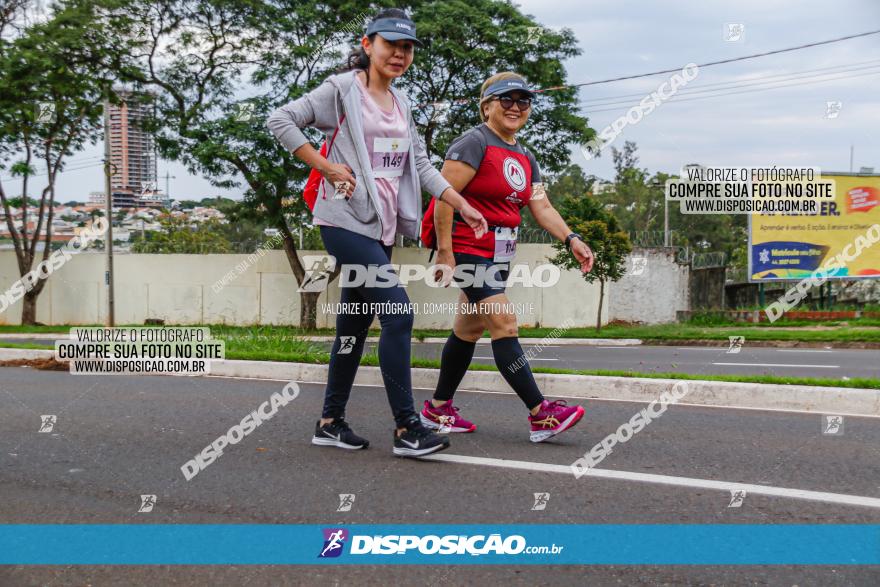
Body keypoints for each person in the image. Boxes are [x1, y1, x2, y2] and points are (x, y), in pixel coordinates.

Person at [267, 9, 487, 457]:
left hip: (382, 230)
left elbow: (420, 166)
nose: (400, 54)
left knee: (353, 327)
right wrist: (326, 166)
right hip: (344, 223)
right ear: (368, 45)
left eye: (407, 48)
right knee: (398, 313)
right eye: (391, 45)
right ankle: (408, 427)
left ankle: (330, 422)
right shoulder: (341, 89)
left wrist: (460, 202)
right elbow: (281, 120)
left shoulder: (403, 103)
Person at [421, 72, 594, 442]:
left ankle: (437, 409)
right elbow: (443, 196)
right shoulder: (473, 142)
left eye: (523, 101)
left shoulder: (525, 155)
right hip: (469, 248)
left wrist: (571, 238)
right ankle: (540, 414)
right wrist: (446, 251)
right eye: (506, 100)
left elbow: (541, 205)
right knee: (505, 322)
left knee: (468, 329)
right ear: (487, 106)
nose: (516, 107)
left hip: (500, 254)